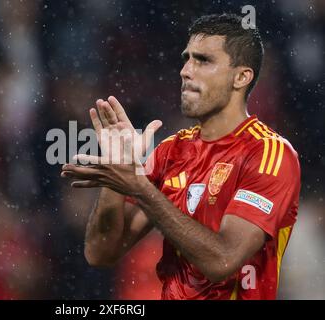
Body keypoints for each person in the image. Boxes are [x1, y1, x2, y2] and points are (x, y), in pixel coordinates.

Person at [61, 14, 300, 300]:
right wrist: (117, 172)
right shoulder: (170, 152)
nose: (186, 71)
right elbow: (100, 252)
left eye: (203, 61)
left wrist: (140, 187)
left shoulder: (270, 154)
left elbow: (222, 261)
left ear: (241, 77)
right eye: (187, 59)